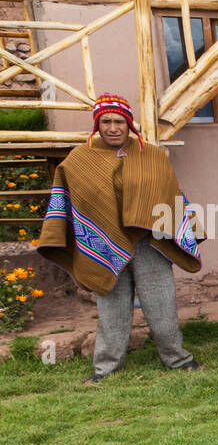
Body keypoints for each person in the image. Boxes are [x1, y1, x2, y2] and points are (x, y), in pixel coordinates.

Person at [37, 93, 203, 384]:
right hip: (102, 246)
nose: (113, 128)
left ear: (129, 124)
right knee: (111, 309)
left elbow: (169, 192)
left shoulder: (150, 154)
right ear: (97, 125)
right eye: (106, 122)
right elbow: (67, 200)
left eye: (119, 122)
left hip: (151, 242)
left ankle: (177, 359)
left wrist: (187, 226)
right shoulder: (79, 159)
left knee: (161, 303)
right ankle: (105, 367)